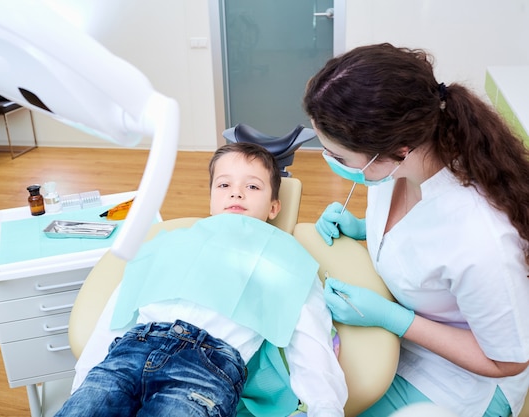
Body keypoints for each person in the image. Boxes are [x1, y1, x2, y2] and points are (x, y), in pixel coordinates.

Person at [303, 42, 529, 417]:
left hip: (458, 384)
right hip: (395, 343)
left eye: (339, 157)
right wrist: (362, 229)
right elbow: (418, 243)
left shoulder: (480, 238)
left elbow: (509, 361)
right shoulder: (399, 171)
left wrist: (395, 319)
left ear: (398, 149)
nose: (331, 163)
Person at [55, 142, 347, 417]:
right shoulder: (168, 242)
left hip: (204, 370)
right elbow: (118, 312)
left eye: (253, 186)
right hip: (130, 351)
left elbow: (311, 335)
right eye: (224, 184)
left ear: (274, 207)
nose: (237, 193)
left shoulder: (286, 257)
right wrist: (83, 382)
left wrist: (326, 407)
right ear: (211, 200)